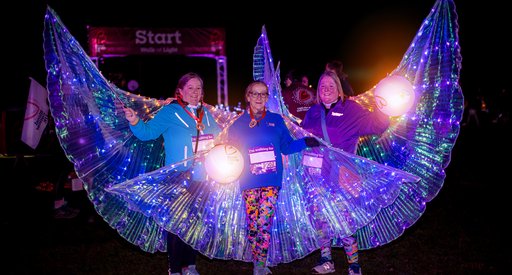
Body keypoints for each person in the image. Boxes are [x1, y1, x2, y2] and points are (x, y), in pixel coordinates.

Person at [124, 72, 221, 275]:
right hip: (177, 176)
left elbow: (218, 138)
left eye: (199, 88)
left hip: (203, 177)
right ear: (180, 91)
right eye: (190, 88)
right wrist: (135, 121)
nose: (195, 92)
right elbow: (147, 133)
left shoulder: (207, 114)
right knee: (177, 223)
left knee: (195, 222)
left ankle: (190, 266)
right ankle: (175, 269)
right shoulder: (170, 112)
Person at [301, 71, 390, 275]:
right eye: (322, 86)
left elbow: (377, 125)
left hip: (342, 175)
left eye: (331, 86)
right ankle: (326, 261)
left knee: (344, 221)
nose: (326, 90)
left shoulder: (350, 109)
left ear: (339, 89)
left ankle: (354, 265)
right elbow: (303, 139)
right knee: (321, 219)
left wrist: (384, 106)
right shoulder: (313, 112)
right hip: (316, 175)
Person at [227, 81, 319, 275]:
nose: (259, 97)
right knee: (253, 223)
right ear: (248, 96)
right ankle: (258, 262)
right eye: (255, 93)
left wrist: (306, 142)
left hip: (271, 181)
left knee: (264, 222)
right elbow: (231, 153)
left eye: (263, 94)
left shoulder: (276, 120)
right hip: (249, 181)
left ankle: (259, 265)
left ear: (267, 97)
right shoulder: (237, 124)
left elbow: (286, 146)